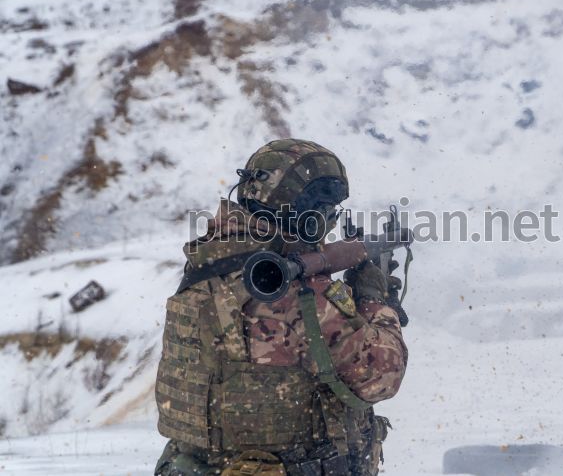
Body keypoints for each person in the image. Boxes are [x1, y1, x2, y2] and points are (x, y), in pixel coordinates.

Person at [154, 139, 408, 475]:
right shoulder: (290, 292)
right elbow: (383, 375)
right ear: (310, 217)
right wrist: (375, 301)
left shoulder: (208, 264)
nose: (330, 223)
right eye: (328, 213)